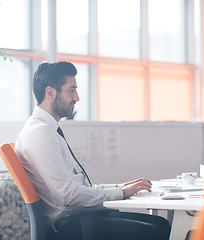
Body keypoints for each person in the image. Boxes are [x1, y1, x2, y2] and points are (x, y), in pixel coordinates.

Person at [15, 61, 170, 239]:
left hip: (80, 218)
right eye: (71, 90)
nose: (77, 97)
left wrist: (120, 187)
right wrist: (120, 193)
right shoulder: (40, 133)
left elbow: (75, 187)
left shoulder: (46, 129)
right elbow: (68, 194)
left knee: (160, 223)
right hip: (73, 226)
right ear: (50, 93)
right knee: (158, 230)